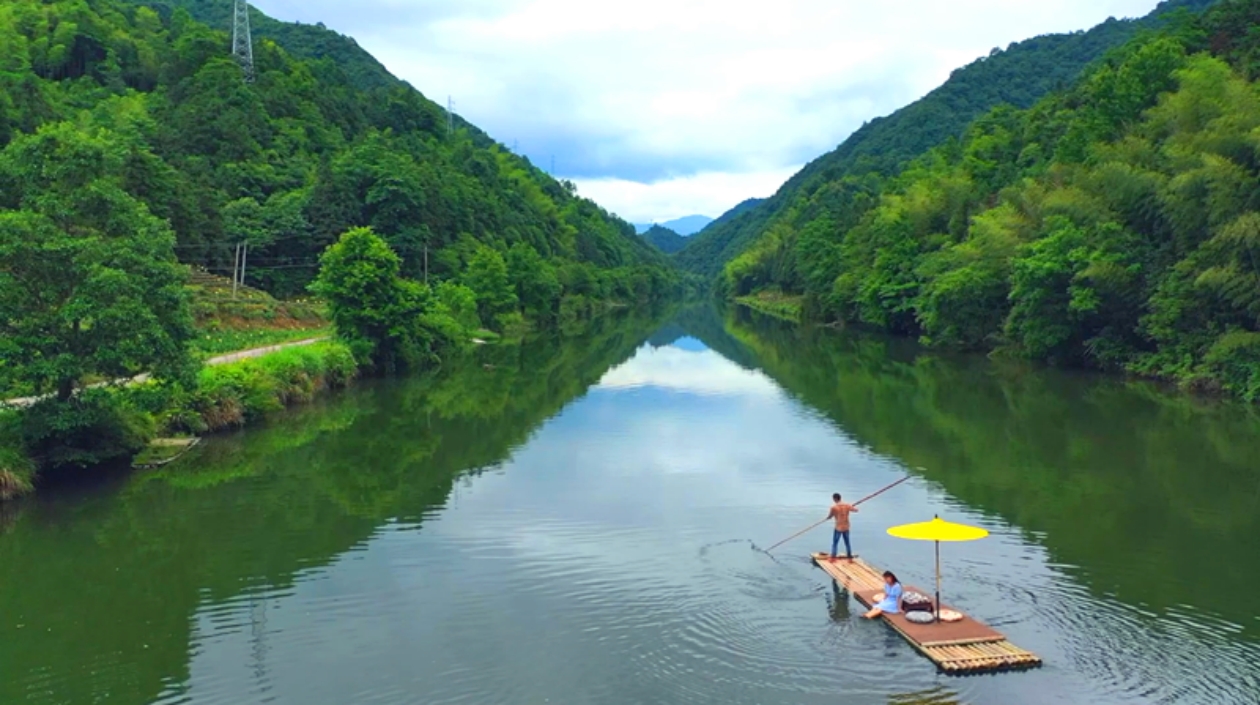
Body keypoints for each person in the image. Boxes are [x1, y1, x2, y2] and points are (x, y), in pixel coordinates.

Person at [827, 492, 858, 562]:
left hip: (838, 527)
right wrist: (851, 506)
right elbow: (856, 510)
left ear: (835, 499)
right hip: (846, 527)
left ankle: (833, 557)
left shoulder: (834, 507)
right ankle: (849, 557)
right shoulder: (847, 505)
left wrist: (827, 518)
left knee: (835, 543)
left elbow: (830, 516)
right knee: (847, 543)